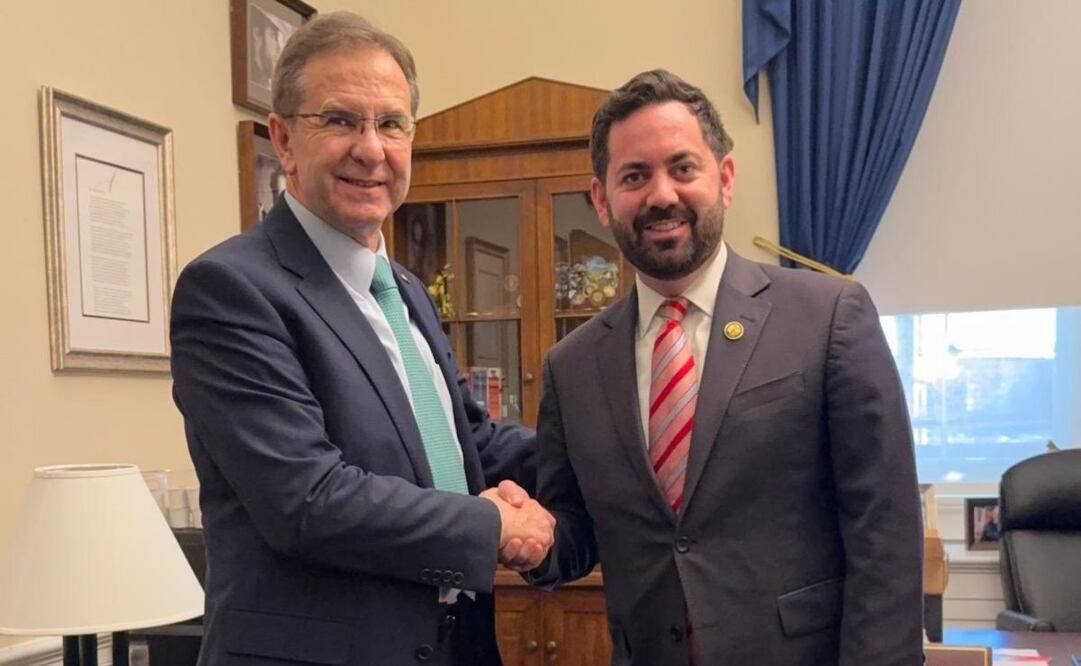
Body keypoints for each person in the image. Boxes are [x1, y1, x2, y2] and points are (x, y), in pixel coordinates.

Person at [170, 12, 552, 666]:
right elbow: (306, 499)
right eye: (340, 120)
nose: (370, 149)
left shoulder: (401, 286)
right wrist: (494, 525)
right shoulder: (230, 289)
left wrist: (606, 458)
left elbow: (466, 442)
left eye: (391, 124)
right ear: (283, 140)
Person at [529, 70, 923, 665]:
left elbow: (885, 532)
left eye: (682, 168)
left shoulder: (828, 316)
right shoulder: (571, 366)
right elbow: (579, 529)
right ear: (602, 201)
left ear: (726, 178)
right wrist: (531, 541)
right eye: (634, 176)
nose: (661, 195)